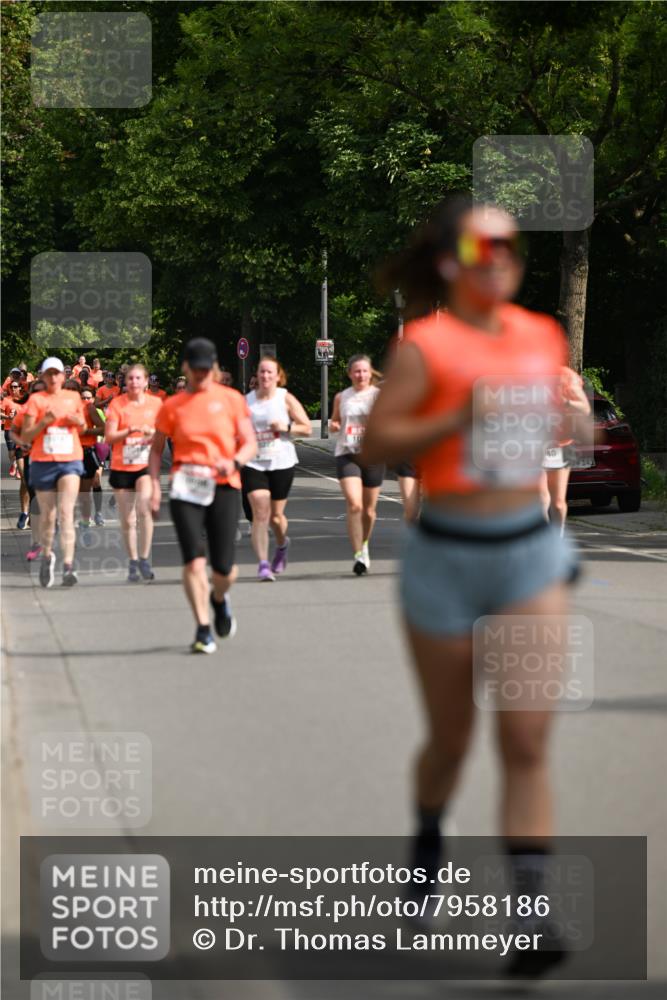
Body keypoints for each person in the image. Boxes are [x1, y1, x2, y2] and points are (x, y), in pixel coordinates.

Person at [362, 196, 592, 979]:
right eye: (480, 245)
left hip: (527, 549)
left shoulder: (542, 335)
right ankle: (428, 831)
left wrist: (579, 415)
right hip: (446, 555)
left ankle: (531, 919)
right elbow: (375, 441)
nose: (497, 255)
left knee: (524, 741)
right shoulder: (425, 346)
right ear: (451, 259)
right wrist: (454, 415)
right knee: (453, 741)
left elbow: (573, 440)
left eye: (507, 243)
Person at [149, 337, 257, 653]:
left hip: (224, 484)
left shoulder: (232, 399)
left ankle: (219, 599)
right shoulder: (172, 406)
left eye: (205, 369)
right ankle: (202, 627)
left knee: (225, 569)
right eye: (194, 369)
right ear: (186, 367)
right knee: (194, 563)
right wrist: (153, 485)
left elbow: (249, 442)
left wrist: (234, 461)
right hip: (185, 486)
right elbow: (156, 452)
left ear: (214, 367)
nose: (199, 374)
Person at [242, 355, 311, 580]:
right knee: (260, 512)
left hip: (281, 461)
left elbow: (307, 427)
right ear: (257, 375)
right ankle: (263, 564)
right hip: (253, 462)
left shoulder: (285, 398)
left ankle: (282, 546)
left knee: (276, 517)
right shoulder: (246, 401)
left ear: (278, 376)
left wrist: (286, 427)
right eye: (262, 372)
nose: (265, 376)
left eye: (270, 372)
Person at [21, 357, 86, 587]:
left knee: (67, 513)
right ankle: (47, 557)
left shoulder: (74, 397)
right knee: (49, 516)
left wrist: (78, 421)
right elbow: (26, 435)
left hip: (69, 460)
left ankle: (69, 566)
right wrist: (43, 423)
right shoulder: (36, 400)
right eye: (48, 373)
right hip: (43, 461)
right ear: (42, 376)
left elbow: (84, 427)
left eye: (57, 373)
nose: (53, 377)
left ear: (63, 375)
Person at [105, 364, 163, 582]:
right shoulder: (117, 404)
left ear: (146, 381)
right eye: (130, 378)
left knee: (144, 510)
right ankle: (132, 560)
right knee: (128, 520)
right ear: (124, 382)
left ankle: (144, 559)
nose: (134, 382)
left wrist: (153, 433)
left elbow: (165, 432)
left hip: (145, 464)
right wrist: (129, 430)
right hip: (122, 466)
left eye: (138, 378)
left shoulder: (156, 404)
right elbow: (109, 437)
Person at [329, 354, 384, 575]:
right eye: (356, 371)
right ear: (350, 374)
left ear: (370, 373)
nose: (360, 375)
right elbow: (335, 420)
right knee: (355, 505)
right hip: (347, 453)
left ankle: (364, 544)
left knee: (369, 511)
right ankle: (358, 555)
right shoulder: (342, 397)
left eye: (364, 371)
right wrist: (334, 425)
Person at [539, 366, 591, 536]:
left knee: (558, 502)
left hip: (562, 445)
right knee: (540, 497)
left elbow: (584, 408)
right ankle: (544, 541)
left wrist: (566, 402)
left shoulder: (565, 375)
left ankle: (558, 536)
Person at [10, 379, 46, 555]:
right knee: (26, 481)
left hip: (45, 455)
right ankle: (27, 513)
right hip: (24, 452)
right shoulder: (24, 410)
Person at [77, 385, 106, 534]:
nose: (86, 400)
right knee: (80, 490)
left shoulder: (96, 410)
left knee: (96, 480)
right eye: (83, 397)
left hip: (96, 449)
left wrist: (87, 432)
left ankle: (98, 513)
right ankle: (85, 518)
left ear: (93, 399)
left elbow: (105, 428)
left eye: (88, 397)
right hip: (75, 452)